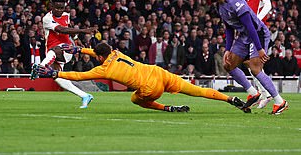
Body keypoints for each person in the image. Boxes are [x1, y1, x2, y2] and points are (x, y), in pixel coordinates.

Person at [31, 42, 247, 113]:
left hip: (150, 88)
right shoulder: (115, 52)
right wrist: (79, 49)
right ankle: (232, 100)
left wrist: (54, 73)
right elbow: (98, 50)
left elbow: (79, 75)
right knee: (197, 91)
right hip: (159, 72)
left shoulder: (104, 69)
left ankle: (167, 108)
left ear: (100, 56)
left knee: (135, 99)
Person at [203, 0, 288, 115]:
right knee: (228, 65)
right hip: (244, 36)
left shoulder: (235, 3)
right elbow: (229, 29)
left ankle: (280, 102)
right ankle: (253, 93)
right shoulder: (220, 7)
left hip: (257, 33)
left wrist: (260, 49)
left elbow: (251, 26)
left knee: (255, 68)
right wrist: (228, 49)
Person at [40, 0, 95, 108]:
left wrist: (76, 40)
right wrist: (83, 30)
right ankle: (85, 96)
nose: (59, 10)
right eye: (57, 8)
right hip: (52, 52)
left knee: (56, 49)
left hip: (66, 49)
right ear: (51, 6)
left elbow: (68, 28)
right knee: (58, 78)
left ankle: (41, 66)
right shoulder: (47, 18)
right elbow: (62, 29)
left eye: (62, 8)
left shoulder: (66, 15)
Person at [245, 0, 274, 108]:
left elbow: (268, 4)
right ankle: (264, 93)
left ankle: (269, 95)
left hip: (257, 30)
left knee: (254, 65)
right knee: (250, 64)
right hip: (251, 30)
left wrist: (256, 20)